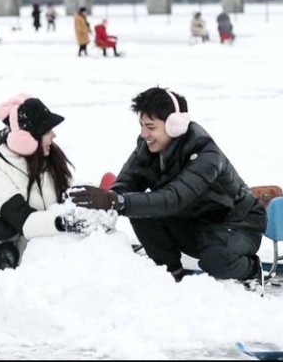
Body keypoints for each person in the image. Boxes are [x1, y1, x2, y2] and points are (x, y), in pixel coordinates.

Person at [69, 87, 267, 285]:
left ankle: (250, 269)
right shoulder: (148, 147)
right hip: (194, 222)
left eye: (151, 127)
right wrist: (108, 200)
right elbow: (127, 183)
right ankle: (171, 271)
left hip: (237, 224)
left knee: (216, 261)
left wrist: (117, 201)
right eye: (142, 126)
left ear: (176, 125)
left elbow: (173, 199)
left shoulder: (207, 155)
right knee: (141, 210)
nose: (144, 133)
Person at [0, 94, 96, 272]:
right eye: (48, 130)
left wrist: (91, 204)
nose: (54, 135)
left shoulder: (48, 156)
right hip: (2, 256)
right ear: (28, 138)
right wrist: (64, 223)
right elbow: (24, 220)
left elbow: (67, 193)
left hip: (42, 249)